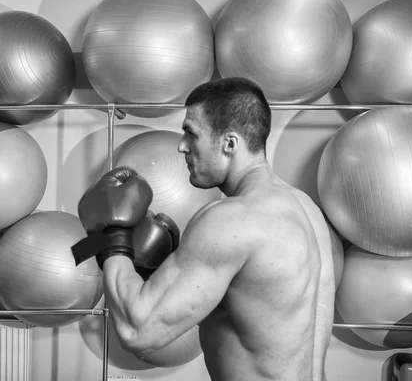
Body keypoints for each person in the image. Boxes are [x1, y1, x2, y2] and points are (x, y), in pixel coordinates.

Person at [71, 77, 336, 381]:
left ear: (230, 144)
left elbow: (137, 329)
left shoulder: (231, 220)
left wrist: (112, 240)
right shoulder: (305, 209)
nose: (182, 145)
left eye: (191, 133)